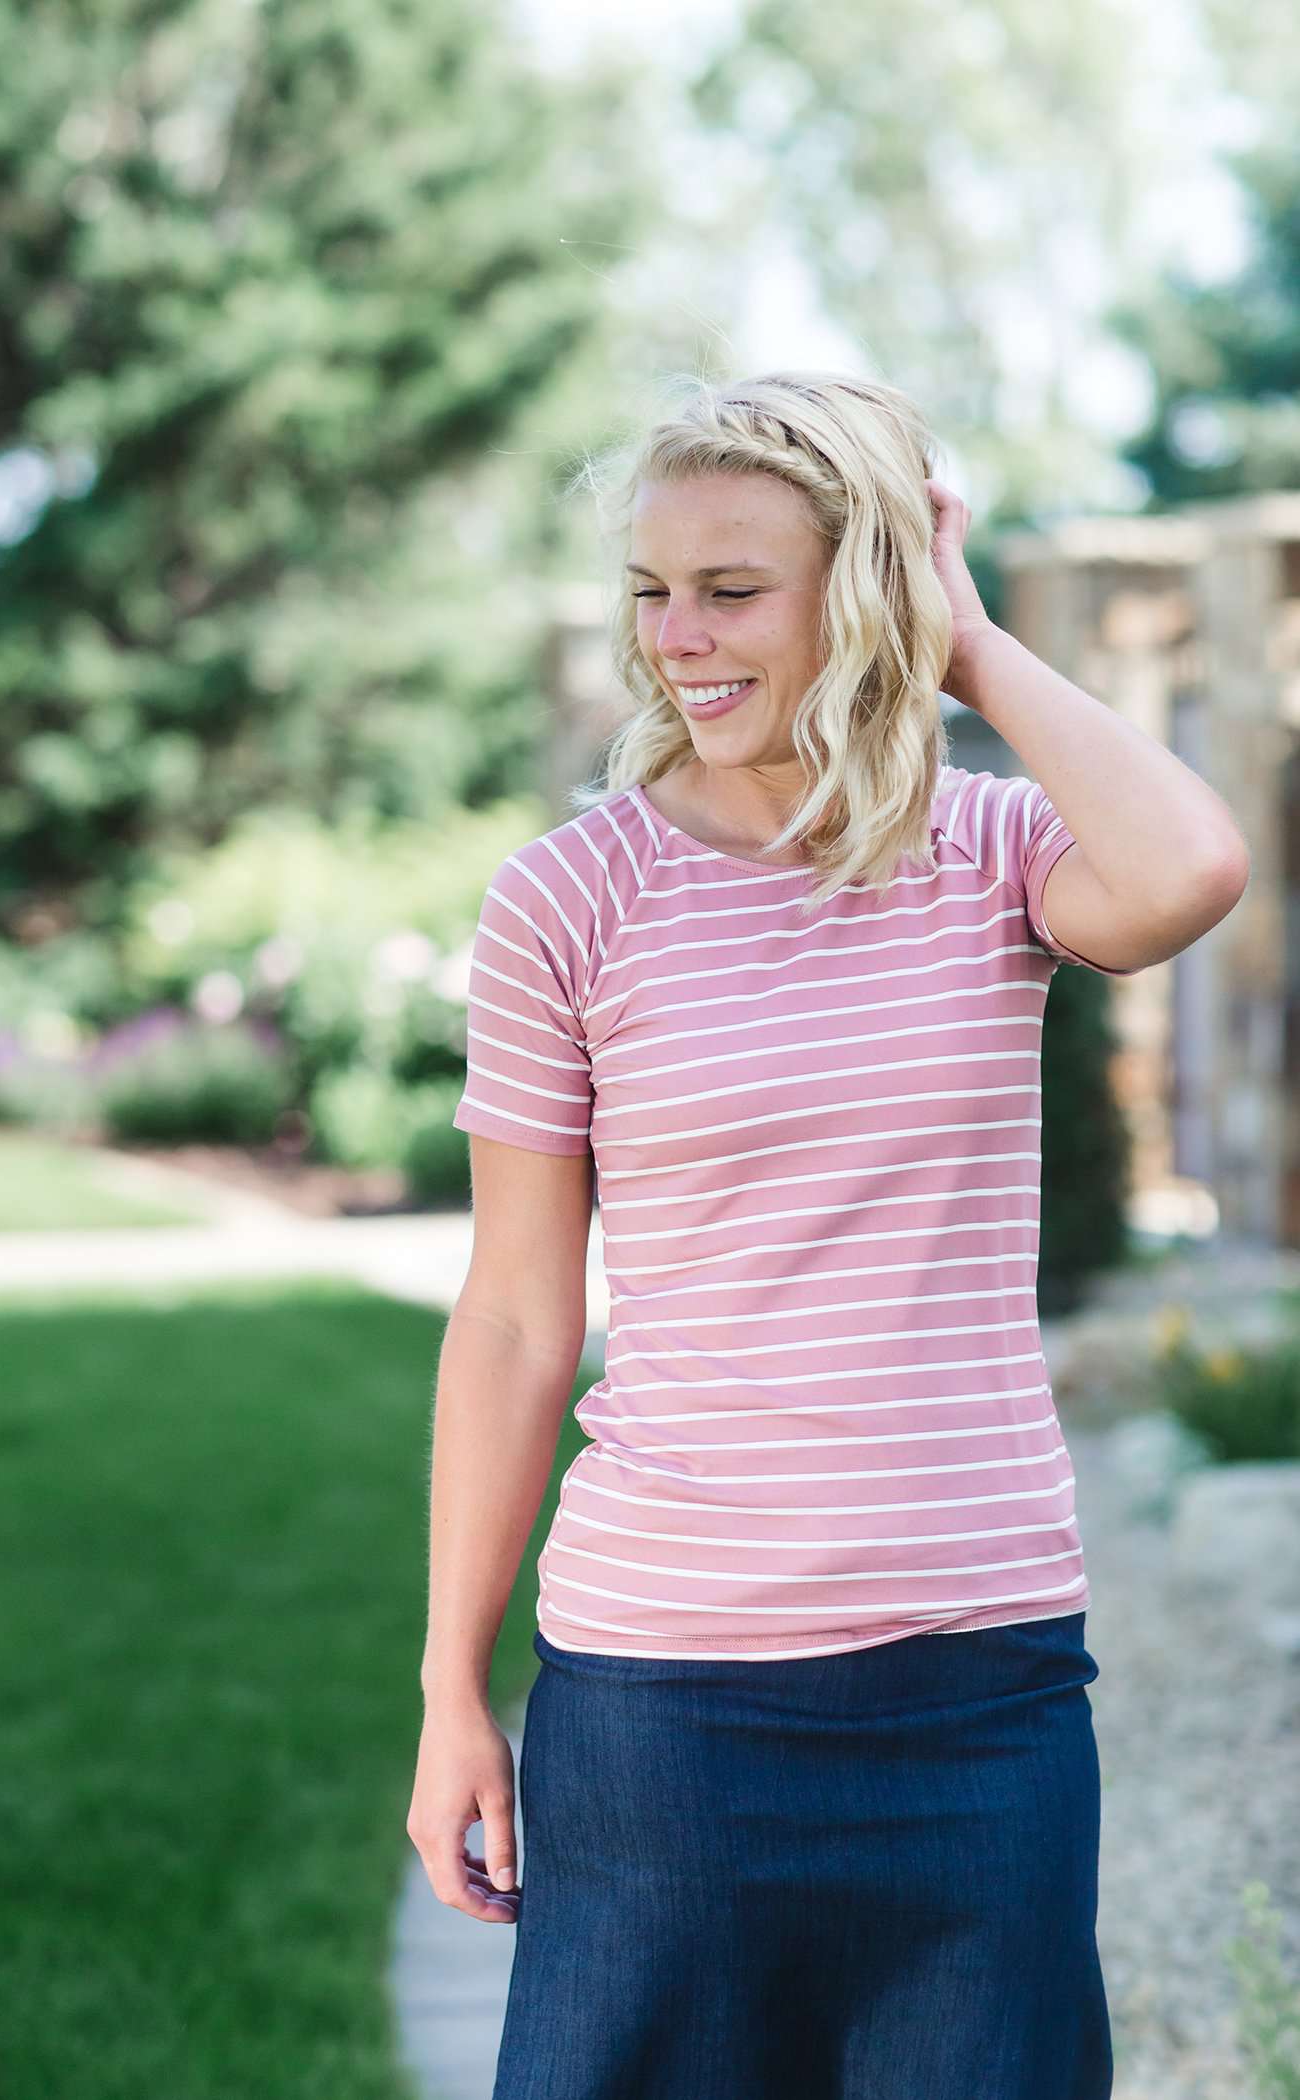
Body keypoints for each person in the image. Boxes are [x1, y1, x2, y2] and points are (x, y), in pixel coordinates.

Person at [406, 370, 1250, 2099]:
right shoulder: (569, 900)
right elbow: (508, 1318)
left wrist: (974, 646)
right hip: (664, 1705)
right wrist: (450, 1691)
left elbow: (1191, 867)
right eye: (652, 592)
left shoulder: (994, 857)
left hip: (981, 1696)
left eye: (733, 591)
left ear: (863, 590)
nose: (680, 641)